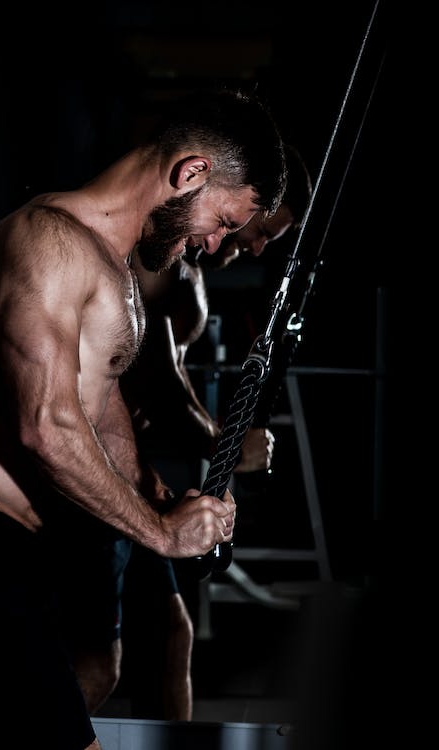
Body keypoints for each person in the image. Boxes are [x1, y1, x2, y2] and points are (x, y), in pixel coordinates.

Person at [0, 87, 287, 750]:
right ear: (190, 173)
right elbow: (44, 422)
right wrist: (159, 533)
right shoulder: (46, 240)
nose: (217, 244)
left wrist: (148, 489)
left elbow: (97, 406)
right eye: (221, 219)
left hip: (14, 546)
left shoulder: (115, 265)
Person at [118, 144, 314, 721]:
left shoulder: (191, 271)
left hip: (128, 467)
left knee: (168, 635)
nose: (254, 245)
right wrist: (223, 444)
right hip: (93, 471)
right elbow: (156, 374)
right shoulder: (166, 260)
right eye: (255, 228)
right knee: (103, 659)